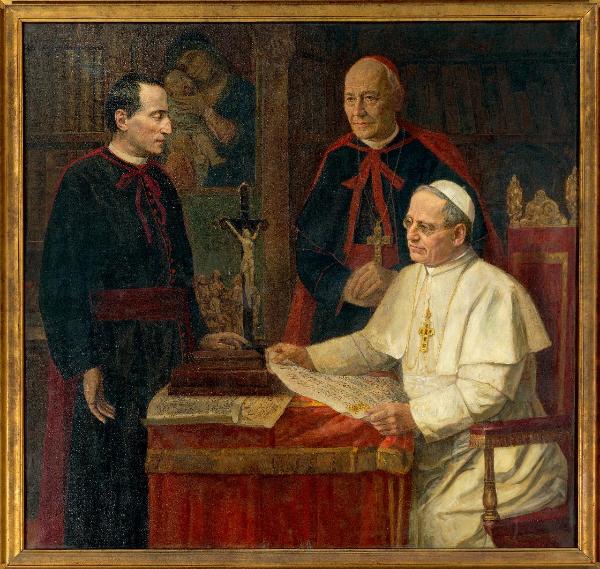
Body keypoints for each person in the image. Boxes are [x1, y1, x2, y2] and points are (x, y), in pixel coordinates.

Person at [269, 180, 568, 547]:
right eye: (409, 223)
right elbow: (372, 346)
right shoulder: (409, 280)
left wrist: (413, 415)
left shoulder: (495, 292)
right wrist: (310, 357)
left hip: (496, 455)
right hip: (428, 449)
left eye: (425, 227)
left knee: (436, 525)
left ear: (458, 234)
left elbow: (485, 393)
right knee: (374, 509)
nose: (411, 235)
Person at [39, 73, 247, 548]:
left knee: (163, 471)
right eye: (158, 116)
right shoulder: (82, 179)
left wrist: (200, 332)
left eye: (167, 116)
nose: (169, 127)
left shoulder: (163, 183)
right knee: (114, 476)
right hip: (113, 354)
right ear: (121, 119)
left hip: (166, 351)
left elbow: (180, 272)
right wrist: (86, 363)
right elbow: (60, 284)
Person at [284, 56, 504, 345]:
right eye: (350, 99)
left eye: (370, 98)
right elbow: (308, 252)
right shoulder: (337, 159)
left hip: (420, 311)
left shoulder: (430, 155)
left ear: (397, 99)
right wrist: (344, 286)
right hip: (343, 316)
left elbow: (466, 240)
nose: (358, 111)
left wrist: (401, 281)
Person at [163, 32, 255, 188]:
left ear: (208, 51)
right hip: (197, 181)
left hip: (237, 181)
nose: (191, 70)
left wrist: (205, 110)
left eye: (192, 58)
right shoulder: (185, 96)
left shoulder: (242, 90)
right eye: (184, 67)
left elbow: (250, 140)